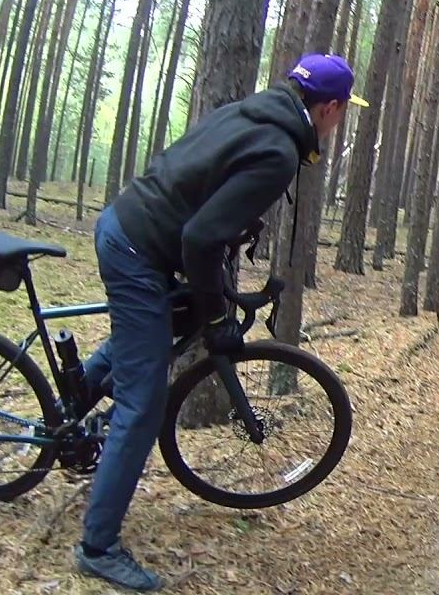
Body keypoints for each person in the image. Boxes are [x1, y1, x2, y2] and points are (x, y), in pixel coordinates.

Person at [73, 54, 367, 591]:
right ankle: (98, 547)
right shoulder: (278, 151)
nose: (339, 122)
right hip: (138, 248)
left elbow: (203, 193)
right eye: (343, 112)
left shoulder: (254, 111)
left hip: (132, 226)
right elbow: (200, 238)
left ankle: (65, 420)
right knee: (143, 406)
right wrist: (215, 317)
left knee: (149, 338)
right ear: (329, 108)